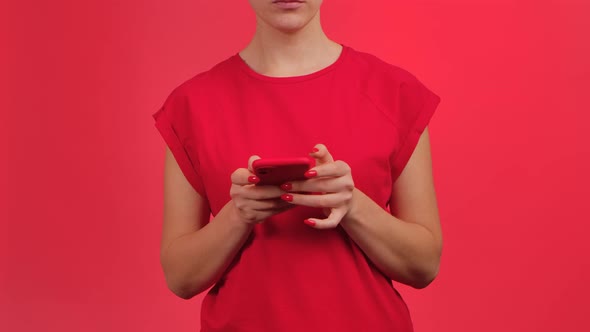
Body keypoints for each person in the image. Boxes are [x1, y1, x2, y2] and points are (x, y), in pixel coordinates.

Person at [152, 1, 443, 331]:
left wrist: (351, 204)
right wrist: (238, 215)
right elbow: (180, 277)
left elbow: (424, 265)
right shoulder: (192, 106)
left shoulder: (396, 93)